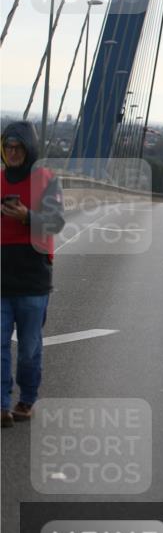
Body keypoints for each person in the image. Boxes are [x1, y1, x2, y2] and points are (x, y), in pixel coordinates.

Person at [1, 121, 65, 428]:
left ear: (29, 150)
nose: (13, 153)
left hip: (32, 281)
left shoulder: (46, 180)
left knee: (28, 349)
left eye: (18, 147)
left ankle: (26, 399)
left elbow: (55, 223)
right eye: (8, 147)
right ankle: (1, 404)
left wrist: (27, 216)